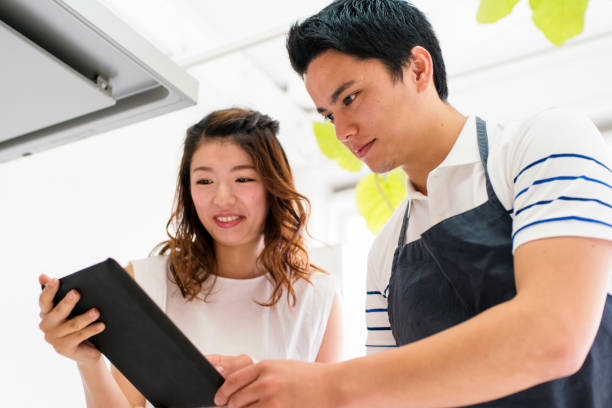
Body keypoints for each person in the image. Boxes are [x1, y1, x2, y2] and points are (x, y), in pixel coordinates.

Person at [211, 1, 612, 407]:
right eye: (330, 116)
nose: (344, 132)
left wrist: (328, 385)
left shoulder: (541, 143)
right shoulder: (385, 252)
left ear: (418, 69)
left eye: (350, 98)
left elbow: (554, 334)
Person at [37, 108, 343, 407]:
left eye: (244, 179)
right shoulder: (146, 283)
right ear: (189, 190)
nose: (222, 198)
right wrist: (89, 363)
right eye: (205, 181)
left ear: (272, 185)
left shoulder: (318, 296)